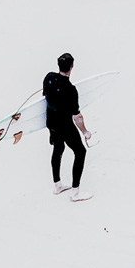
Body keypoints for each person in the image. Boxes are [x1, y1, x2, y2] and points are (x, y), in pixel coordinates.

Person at [42, 52, 92, 201]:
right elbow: (77, 117)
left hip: (51, 123)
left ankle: (57, 185)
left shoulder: (49, 78)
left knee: (58, 148)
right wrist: (85, 132)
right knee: (80, 152)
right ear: (72, 66)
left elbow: (45, 97)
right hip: (64, 125)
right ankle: (75, 193)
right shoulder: (71, 90)